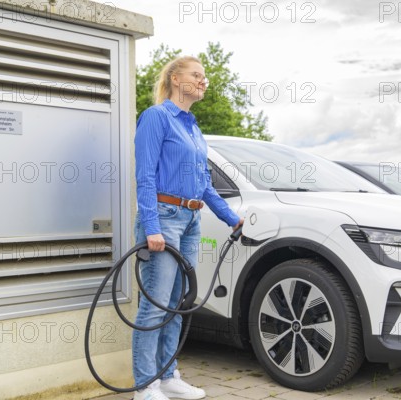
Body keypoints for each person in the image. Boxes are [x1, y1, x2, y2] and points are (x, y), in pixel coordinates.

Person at [133, 55, 243, 400]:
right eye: (196, 75)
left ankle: (168, 377)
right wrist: (152, 226)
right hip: (164, 218)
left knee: (180, 301)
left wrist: (229, 216)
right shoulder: (156, 118)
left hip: (191, 220)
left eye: (205, 76)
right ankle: (145, 386)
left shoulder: (192, 127)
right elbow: (145, 176)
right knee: (156, 303)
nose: (203, 81)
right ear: (175, 79)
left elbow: (204, 182)